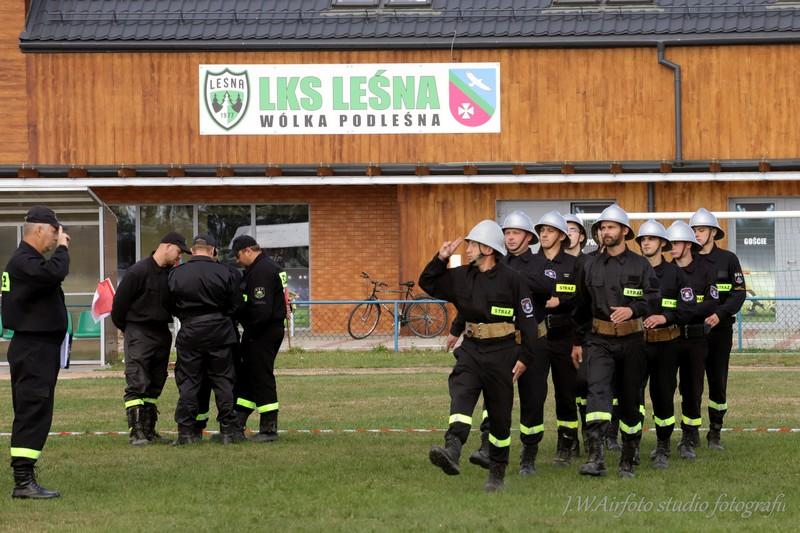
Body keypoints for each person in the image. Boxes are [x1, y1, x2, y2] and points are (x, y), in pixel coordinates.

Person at [420, 220, 536, 492]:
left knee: (499, 415)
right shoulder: (461, 276)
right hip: (471, 350)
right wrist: (440, 258)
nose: (468, 248)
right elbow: (428, 282)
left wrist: (525, 358)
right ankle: (452, 448)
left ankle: (497, 472)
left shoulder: (513, 280)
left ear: (488, 249)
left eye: (473, 244)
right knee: (461, 392)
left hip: (503, 353)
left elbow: (529, 323)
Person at [572, 204, 660, 478]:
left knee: (630, 399)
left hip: (632, 342)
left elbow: (653, 297)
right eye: (602, 228)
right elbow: (580, 306)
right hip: (599, 341)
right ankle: (595, 458)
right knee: (597, 393)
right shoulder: (589, 265)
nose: (605, 232)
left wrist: (633, 310)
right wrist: (578, 341)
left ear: (624, 231)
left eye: (611, 227)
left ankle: (628, 459)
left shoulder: (640, 264)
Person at [2, 206, 70, 499]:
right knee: (33, 411)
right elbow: (55, 273)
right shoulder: (25, 261)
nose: (57, 238)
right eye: (55, 232)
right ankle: (23, 481)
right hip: (33, 349)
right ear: (39, 229)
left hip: (37, 347)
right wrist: (63, 249)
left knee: (36, 410)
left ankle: (25, 477)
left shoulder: (27, 261)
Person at [112, 232, 190, 445]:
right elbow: (118, 307)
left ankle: (148, 428)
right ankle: (136, 432)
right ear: (167, 246)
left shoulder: (170, 275)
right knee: (137, 381)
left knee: (156, 382)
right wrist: (129, 330)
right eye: (179, 252)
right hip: (139, 331)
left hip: (161, 332)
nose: (179, 257)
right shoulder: (137, 272)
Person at [517, 211, 580, 470]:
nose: (543, 234)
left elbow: (582, 300)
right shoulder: (529, 263)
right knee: (533, 395)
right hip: (537, 338)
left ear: (562, 236)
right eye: (541, 230)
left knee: (566, 394)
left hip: (565, 337)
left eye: (550, 231)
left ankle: (567, 443)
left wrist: (561, 302)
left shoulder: (575, 265)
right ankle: (529, 451)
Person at [168, 234, 245, 445]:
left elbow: (170, 304)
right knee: (223, 381)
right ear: (212, 250)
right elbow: (237, 304)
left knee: (189, 382)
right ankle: (228, 431)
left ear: (193, 251)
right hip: (220, 332)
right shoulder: (226, 272)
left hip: (190, 332)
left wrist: (188, 316)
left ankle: (186, 432)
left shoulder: (176, 273)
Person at [636, 220, 693, 469]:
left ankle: (663, 446)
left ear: (662, 243)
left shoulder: (675, 273)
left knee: (662, 395)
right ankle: (632, 445)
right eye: (642, 239)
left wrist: (665, 317)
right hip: (636, 344)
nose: (646, 243)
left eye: (651, 238)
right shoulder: (632, 269)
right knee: (632, 396)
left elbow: (687, 306)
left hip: (666, 345)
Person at [690, 208, 746, 449]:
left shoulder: (728, 259)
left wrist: (719, 314)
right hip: (692, 332)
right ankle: (690, 433)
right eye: (694, 230)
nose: (697, 234)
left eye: (701, 230)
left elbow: (739, 293)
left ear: (713, 232)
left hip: (720, 332)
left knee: (717, 382)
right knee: (691, 384)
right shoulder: (686, 259)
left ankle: (715, 431)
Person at [667, 220, 719, 460]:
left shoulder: (706, 270)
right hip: (669, 339)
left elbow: (712, 302)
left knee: (692, 389)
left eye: (675, 243)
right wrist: (686, 310)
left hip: (696, 340)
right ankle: (664, 439)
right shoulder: (666, 271)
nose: (671, 247)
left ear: (688, 244)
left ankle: (689, 436)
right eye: (669, 243)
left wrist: (683, 311)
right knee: (665, 388)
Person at [231, 235, 288, 442]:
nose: (238, 261)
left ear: (248, 250)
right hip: (263, 330)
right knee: (247, 376)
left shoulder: (262, 271)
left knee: (261, 376)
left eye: (238, 256)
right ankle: (237, 424)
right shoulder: (265, 267)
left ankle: (269, 429)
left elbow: (261, 310)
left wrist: (242, 318)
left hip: (262, 331)